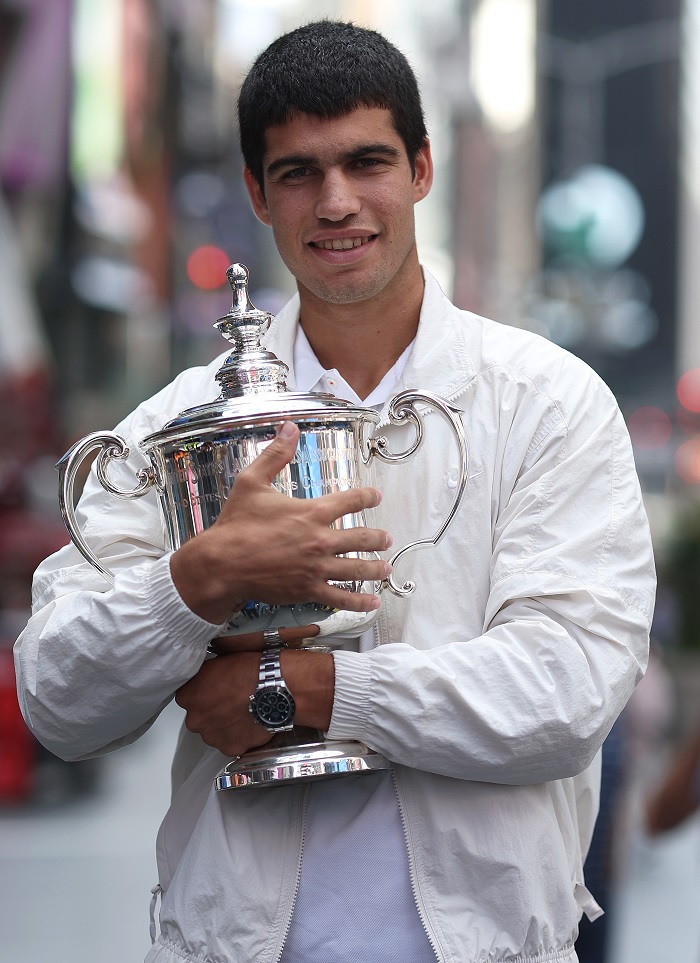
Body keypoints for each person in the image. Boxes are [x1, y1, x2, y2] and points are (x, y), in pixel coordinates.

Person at [15, 20, 656, 963]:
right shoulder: (181, 424)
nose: (338, 202)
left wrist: (313, 689)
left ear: (423, 169)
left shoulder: (546, 402)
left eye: (367, 161)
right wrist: (190, 587)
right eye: (298, 173)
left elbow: (568, 690)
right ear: (257, 195)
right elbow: (58, 703)